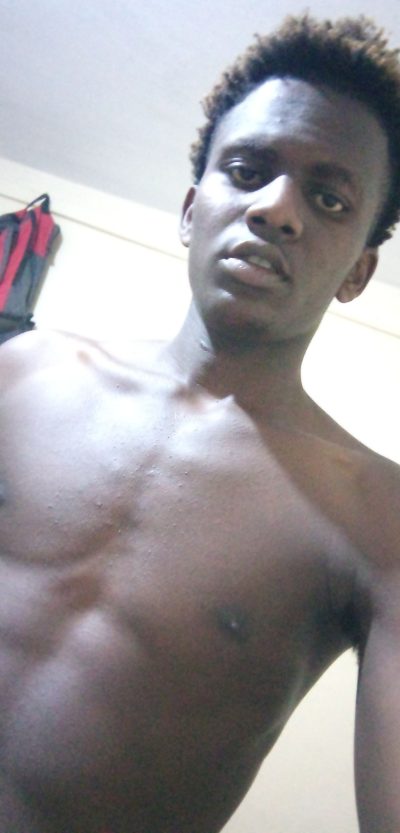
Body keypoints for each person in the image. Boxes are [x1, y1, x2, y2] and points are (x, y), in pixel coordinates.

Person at [0, 13, 399, 833]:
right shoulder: (24, 372)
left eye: (328, 198)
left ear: (358, 273)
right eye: (247, 170)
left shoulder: (378, 516)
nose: (276, 209)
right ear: (191, 210)